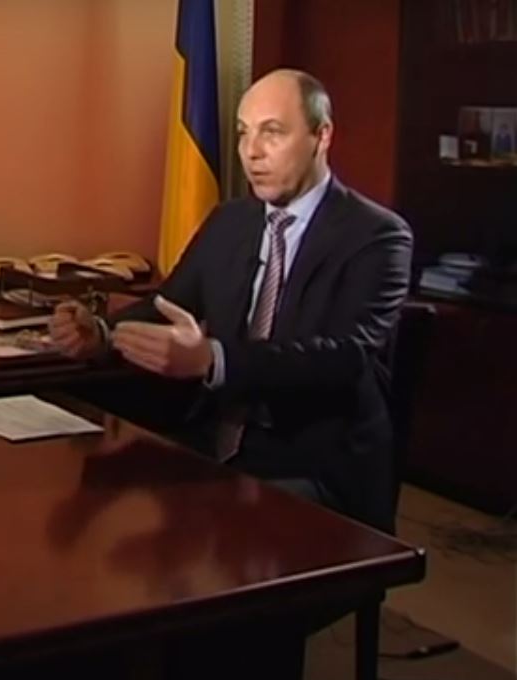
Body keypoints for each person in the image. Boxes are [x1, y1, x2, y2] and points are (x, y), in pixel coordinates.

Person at [50, 68, 412, 534]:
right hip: (214, 438)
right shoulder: (230, 221)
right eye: (243, 133)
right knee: (86, 483)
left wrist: (213, 360)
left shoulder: (377, 236)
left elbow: (345, 357)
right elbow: (168, 305)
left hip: (312, 463)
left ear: (322, 136)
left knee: (205, 530)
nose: (251, 152)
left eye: (272, 132)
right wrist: (101, 334)